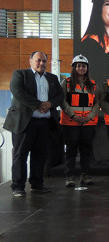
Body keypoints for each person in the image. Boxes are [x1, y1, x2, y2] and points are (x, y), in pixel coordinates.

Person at [4, 51, 63, 197]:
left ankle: (37, 184)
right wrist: (38, 105)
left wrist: (49, 104)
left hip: (44, 123)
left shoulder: (53, 78)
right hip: (24, 123)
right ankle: (18, 186)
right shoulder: (20, 75)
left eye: (44, 61)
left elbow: (60, 96)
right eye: (38, 60)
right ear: (30, 61)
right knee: (20, 155)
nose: (41, 64)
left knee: (40, 155)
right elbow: (17, 92)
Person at [60, 54, 100, 188]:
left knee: (86, 150)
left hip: (88, 123)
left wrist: (89, 117)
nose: (81, 68)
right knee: (71, 151)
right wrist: (73, 116)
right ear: (74, 67)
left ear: (87, 68)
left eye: (83, 66)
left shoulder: (93, 84)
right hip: (70, 123)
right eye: (78, 65)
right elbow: (62, 101)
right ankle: (69, 176)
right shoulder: (66, 83)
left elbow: (96, 103)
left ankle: (85, 175)